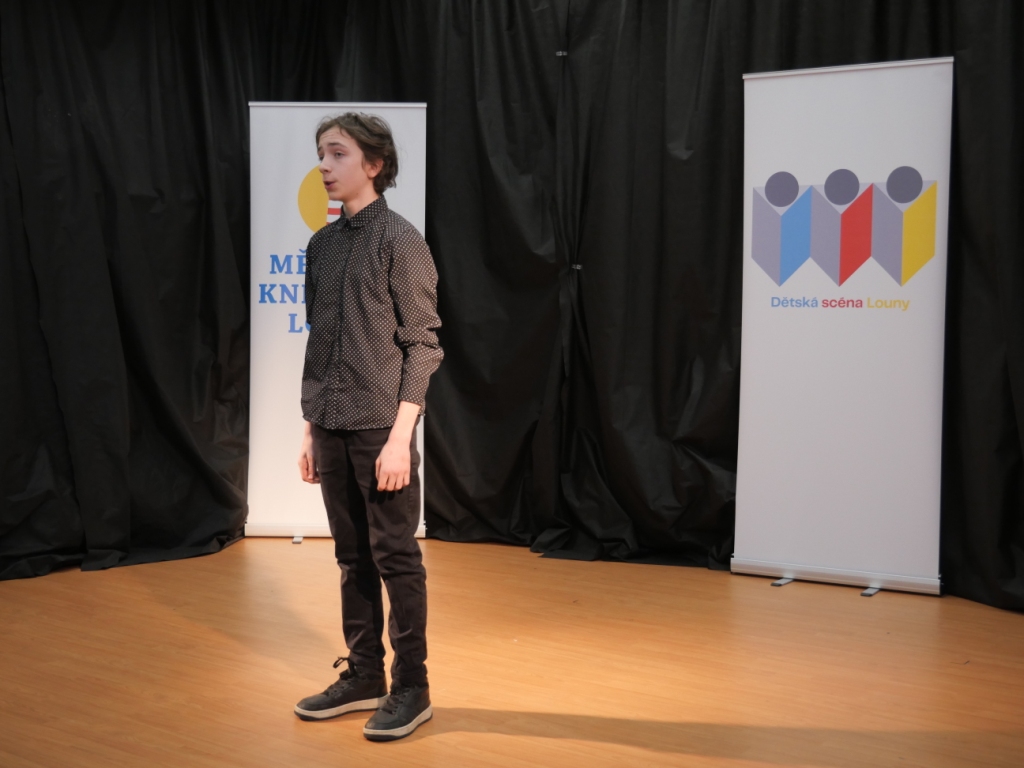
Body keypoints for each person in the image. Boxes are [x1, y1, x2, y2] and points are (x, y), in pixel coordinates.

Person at [292, 112, 442, 742]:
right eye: (321, 154)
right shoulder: (322, 245)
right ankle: (364, 675)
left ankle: (412, 686)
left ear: (374, 165)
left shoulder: (400, 239)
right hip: (329, 423)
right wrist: (310, 428)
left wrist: (402, 437)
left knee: (395, 558)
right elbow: (319, 344)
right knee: (351, 557)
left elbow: (423, 344)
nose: (324, 166)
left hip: (382, 429)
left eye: (337, 154)